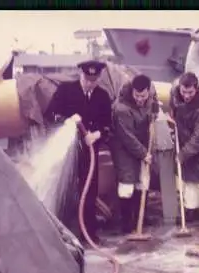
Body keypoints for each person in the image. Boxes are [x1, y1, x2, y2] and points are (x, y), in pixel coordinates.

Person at [45, 59, 112, 245]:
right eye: (87, 79)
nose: (90, 83)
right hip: (67, 152)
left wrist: (97, 134)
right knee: (64, 190)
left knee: (89, 192)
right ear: (81, 74)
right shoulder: (66, 90)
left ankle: (89, 234)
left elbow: (108, 123)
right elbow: (50, 115)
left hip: (89, 153)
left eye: (94, 80)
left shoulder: (102, 96)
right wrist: (67, 120)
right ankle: (60, 233)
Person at [110, 74, 160, 236]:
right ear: (132, 91)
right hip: (124, 149)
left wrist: (155, 111)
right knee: (127, 185)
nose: (140, 99)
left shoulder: (151, 94)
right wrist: (144, 154)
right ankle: (126, 224)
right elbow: (126, 136)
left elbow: (154, 104)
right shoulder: (121, 108)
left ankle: (140, 220)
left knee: (142, 182)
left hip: (143, 145)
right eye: (137, 96)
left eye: (143, 96)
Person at [169, 72, 199, 229]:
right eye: (184, 92)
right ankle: (191, 209)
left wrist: (182, 154)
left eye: (190, 93)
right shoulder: (175, 96)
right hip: (184, 140)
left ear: (196, 89)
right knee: (188, 179)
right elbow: (173, 110)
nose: (187, 96)